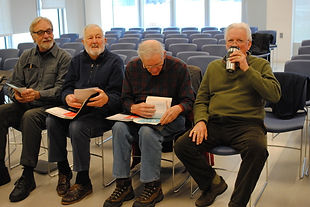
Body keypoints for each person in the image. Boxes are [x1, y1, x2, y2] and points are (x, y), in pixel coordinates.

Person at [174, 22, 281, 207]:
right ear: (225, 44)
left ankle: (237, 203)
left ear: (248, 44)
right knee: (183, 145)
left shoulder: (261, 65)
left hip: (247, 125)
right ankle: (213, 184)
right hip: (215, 124)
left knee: (258, 150)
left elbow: (274, 95)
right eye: (231, 40)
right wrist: (200, 121)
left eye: (240, 40)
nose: (235, 44)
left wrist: (247, 69)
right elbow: (201, 99)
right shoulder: (215, 67)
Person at [103, 40, 194, 207]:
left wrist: (178, 108)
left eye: (157, 65)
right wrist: (133, 107)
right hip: (140, 117)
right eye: (148, 67)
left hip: (170, 118)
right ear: (141, 61)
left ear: (164, 55)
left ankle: (152, 186)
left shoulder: (179, 67)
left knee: (147, 131)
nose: (153, 71)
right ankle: (123, 184)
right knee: (118, 127)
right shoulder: (132, 67)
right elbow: (125, 99)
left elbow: (189, 100)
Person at [46, 24, 124, 205]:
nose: (95, 41)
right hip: (77, 110)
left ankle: (83, 180)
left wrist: (107, 99)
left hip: (102, 114)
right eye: (90, 37)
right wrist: (67, 97)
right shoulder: (76, 61)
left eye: (98, 37)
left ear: (105, 39)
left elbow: (120, 95)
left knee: (77, 126)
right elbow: (66, 87)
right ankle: (64, 171)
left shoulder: (115, 61)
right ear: (83, 41)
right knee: (52, 120)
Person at [0, 17, 71, 202]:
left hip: (50, 107)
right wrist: (14, 94)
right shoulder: (26, 56)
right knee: (1, 111)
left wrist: (38, 95)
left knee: (30, 117)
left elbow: (61, 90)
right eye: (41, 32)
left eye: (49, 31)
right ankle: (0, 168)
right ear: (33, 36)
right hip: (25, 104)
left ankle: (28, 175)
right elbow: (10, 84)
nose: (46, 35)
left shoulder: (63, 58)